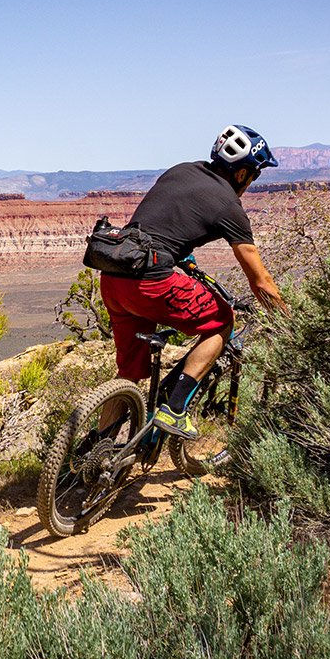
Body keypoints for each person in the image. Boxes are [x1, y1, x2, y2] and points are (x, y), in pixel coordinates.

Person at [100, 124, 291, 440]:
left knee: (129, 374)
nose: (252, 182)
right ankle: (174, 410)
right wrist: (288, 321)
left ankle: (96, 453)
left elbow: (164, 221)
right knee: (222, 321)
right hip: (151, 283)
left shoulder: (182, 170)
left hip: (114, 276)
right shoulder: (228, 204)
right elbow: (261, 282)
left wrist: (184, 259)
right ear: (242, 173)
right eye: (255, 175)